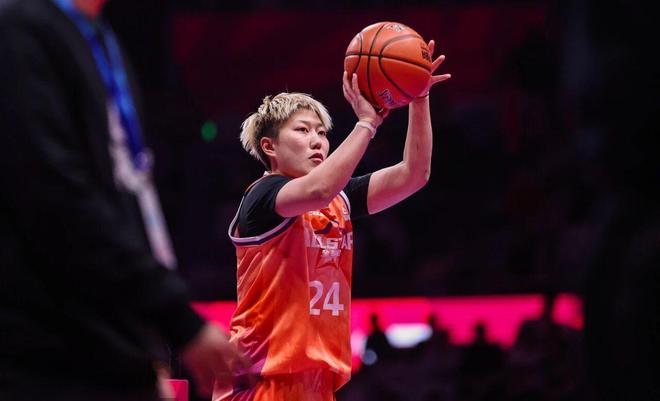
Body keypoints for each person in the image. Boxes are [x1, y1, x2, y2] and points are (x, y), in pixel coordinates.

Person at [0, 0, 249, 400]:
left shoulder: (98, 37)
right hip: (44, 353)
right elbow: (56, 200)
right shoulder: (19, 28)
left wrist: (144, 349)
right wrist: (176, 319)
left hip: (104, 345)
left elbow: (128, 200)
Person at [213, 40, 450, 401]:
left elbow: (413, 174)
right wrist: (367, 123)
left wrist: (418, 97)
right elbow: (320, 189)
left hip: (316, 380)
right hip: (265, 377)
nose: (317, 142)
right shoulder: (263, 196)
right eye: (302, 130)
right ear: (269, 147)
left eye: (322, 133)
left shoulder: (338, 199)